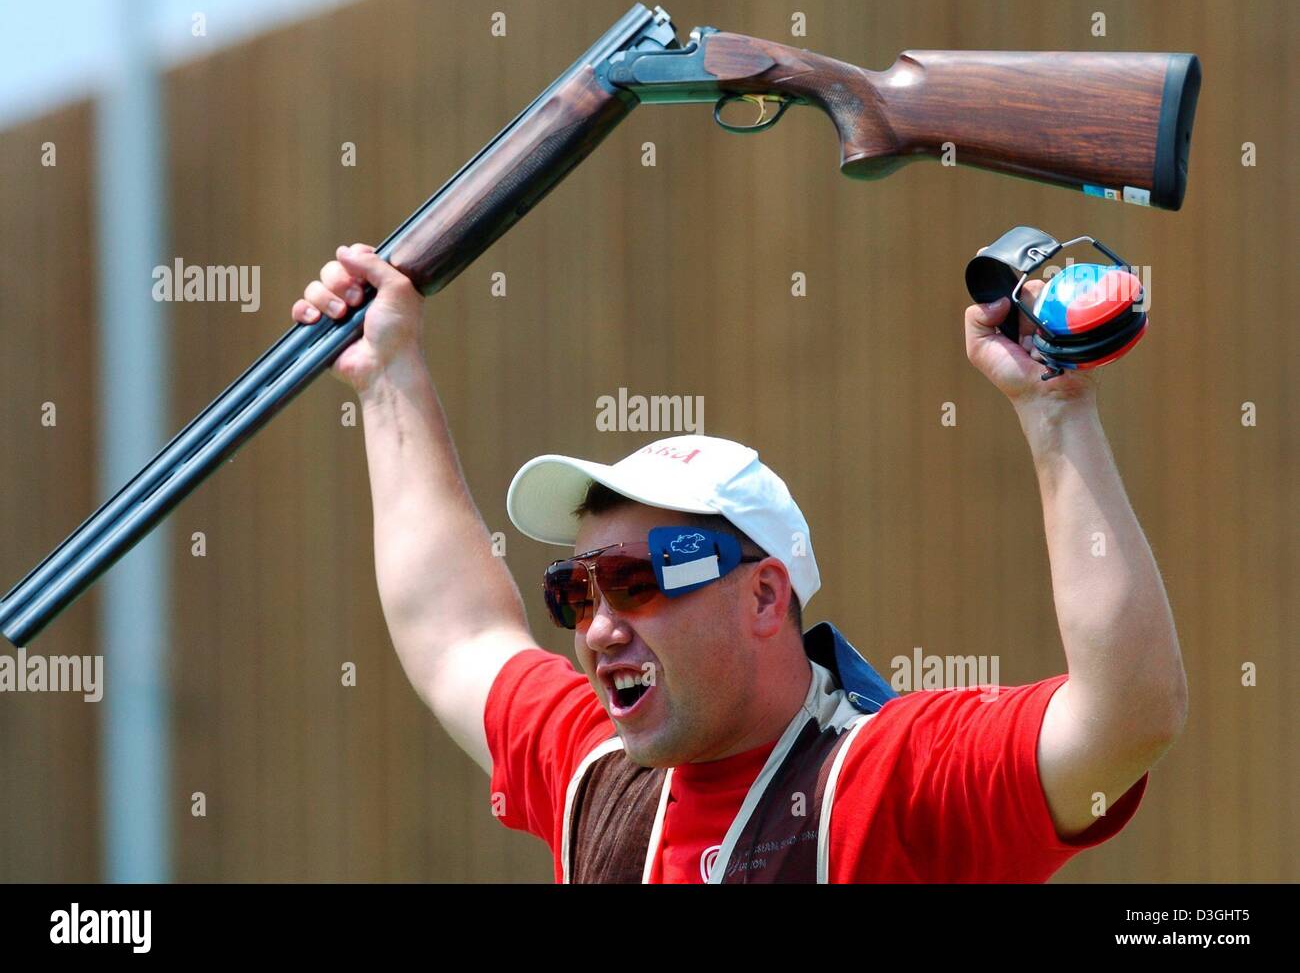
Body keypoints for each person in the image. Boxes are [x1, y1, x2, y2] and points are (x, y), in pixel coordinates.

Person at [291, 244, 1187, 883]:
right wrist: (386, 376)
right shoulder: (594, 768)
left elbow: (1129, 714)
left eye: (637, 581)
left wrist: (1056, 414)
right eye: (576, 590)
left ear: (764, 593)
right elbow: (451, 632)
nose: (599, 627)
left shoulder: (895, 778)